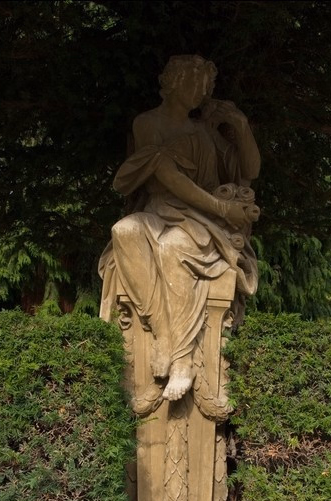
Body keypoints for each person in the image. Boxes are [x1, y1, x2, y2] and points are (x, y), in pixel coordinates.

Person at [99, 55, 260, 401]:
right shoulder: (148, 123)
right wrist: (222, 207)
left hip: (203, 222)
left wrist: (241, 125)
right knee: (124, 231)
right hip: (164, 210)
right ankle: (163, 334)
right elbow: (167, 176)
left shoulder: (204, 131)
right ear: (171, 81)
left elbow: (250, 169)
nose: (200, 90)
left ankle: (183, 359)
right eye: (192, 81)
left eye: (205, 84)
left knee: (172, 247)